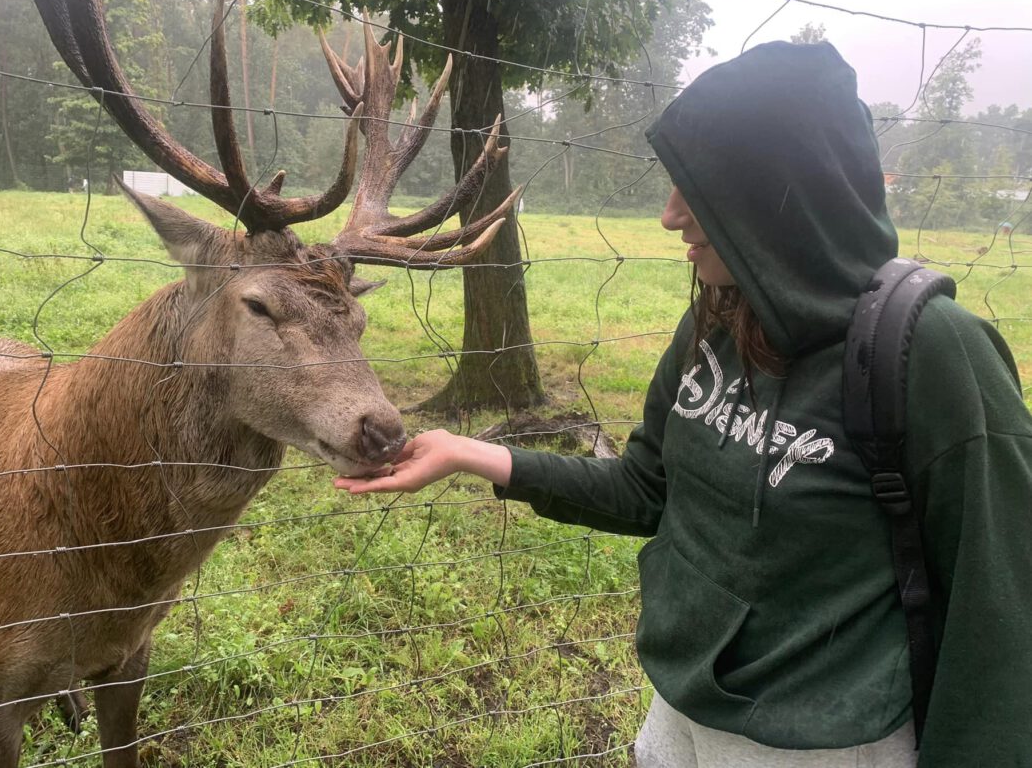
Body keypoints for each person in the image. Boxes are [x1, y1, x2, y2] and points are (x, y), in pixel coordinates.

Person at [333, 42, 1032, 767]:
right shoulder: (719, 320)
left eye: (696, 189)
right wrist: (469, 454)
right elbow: (646, 489)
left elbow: (1001, 620)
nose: (670, 216)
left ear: (775, 193)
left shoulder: (934, 352)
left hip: (823, 739)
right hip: (682, 710)